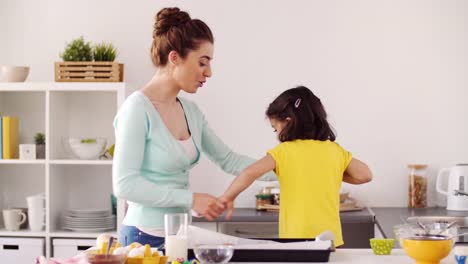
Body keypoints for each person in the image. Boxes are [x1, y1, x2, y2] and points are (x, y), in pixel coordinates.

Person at [112, 7, 276, 247]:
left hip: (180, 236)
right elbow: (125, 185)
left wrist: (287, 168)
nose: (208, 72)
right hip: (143, 236)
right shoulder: (136, 109)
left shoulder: (191, 112)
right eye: (202, 62)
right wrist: (191, 199)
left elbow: (229, 160)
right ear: (175, 57)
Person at [219, 86, 372, 247]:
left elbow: (249, 172)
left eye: (275, 128)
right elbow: (365, 175)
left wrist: (228, 197)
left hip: (295, 239)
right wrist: (326, 170)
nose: (276, 134)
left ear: (288, 122)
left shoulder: (284, 152)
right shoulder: (334, 150)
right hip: (330, 239)